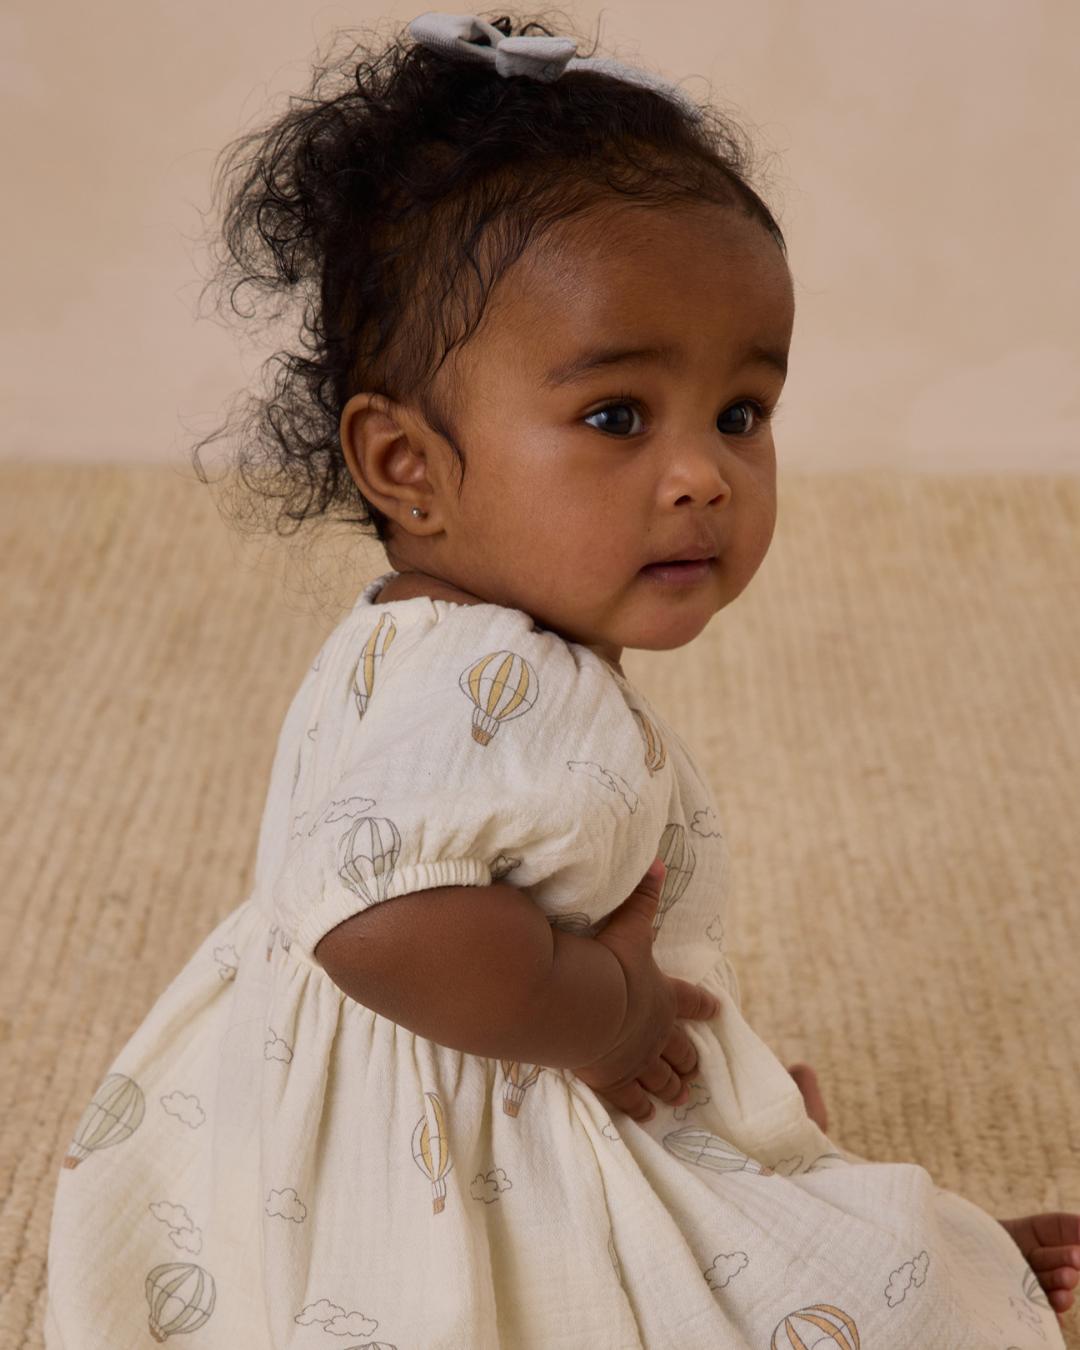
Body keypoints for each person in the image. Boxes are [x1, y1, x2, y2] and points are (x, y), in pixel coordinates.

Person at [46, 14, 1079, 1348]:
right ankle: (849, 1239)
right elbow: (376, 917)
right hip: (465, 1137)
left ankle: (742, 1158)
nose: (704, 470)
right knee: (853, 1297)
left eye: (741, 412)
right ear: (405, 462)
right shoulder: (506, 682)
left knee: (721, 1140)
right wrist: (611, 1013)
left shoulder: (413, 630)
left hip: (407, 1080)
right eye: (615, 417)